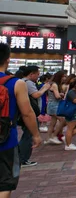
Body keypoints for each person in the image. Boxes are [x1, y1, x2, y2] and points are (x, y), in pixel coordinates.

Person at [0, 43, 42, 196]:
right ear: (7, 60)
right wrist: (36, 135)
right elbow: (27, 113)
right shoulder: (16, 83)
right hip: (5, 140)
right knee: (5, 184)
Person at [19, 66, 48, 167]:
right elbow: (36, 95)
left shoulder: (22, 82)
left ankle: (22, 158)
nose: (38, 76)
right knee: (28, 136)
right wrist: (44, 88)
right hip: (29, 113)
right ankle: (23, 159)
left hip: (25, 113)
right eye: (37, 74)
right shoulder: (28, 83)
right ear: (31, 74)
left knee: (27, 136)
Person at [45, 71, 66, 145]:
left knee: (52, 123)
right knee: (62, 120)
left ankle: (48, 138)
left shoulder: (52, 84)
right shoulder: (54, 85)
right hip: (54, 105)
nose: (64, 78)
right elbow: (57, 96)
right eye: (64, 76)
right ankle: (53, 136)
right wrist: (61, 95)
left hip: (51, 104)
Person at [64, 79, 76, 151]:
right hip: (72, 112)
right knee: (70, 128)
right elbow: (75, 100)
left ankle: (67, 139)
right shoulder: (71, 92)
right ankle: (68, 144)